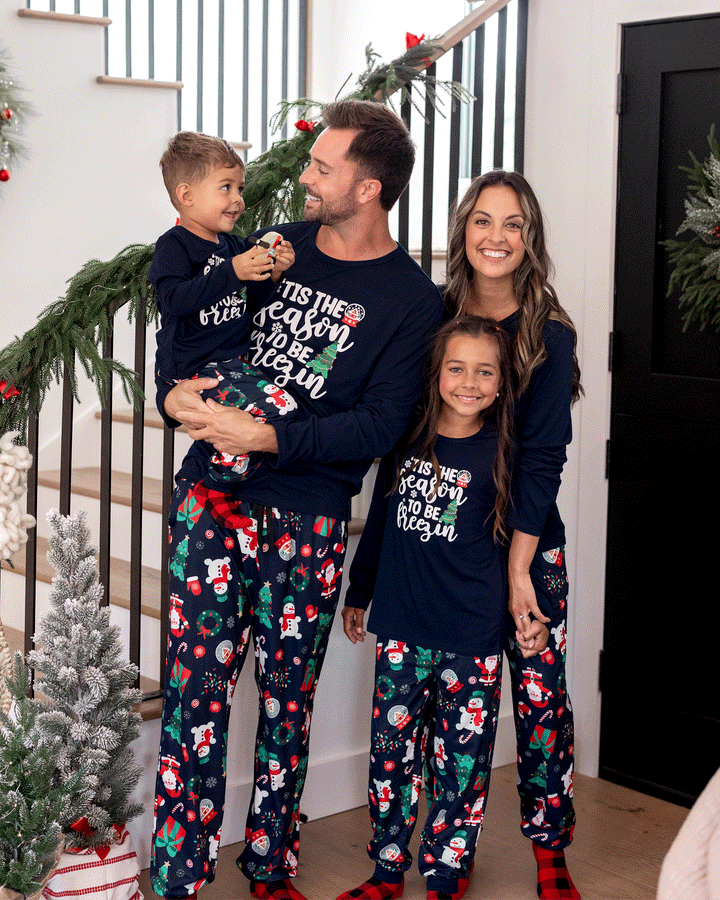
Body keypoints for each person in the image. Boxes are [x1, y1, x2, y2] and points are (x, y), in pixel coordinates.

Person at [149, 100, 445, 900]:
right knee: (192, 695)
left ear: (371, 187)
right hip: (209, 502)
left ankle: (271, 864)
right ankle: (177, 872)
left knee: (287, 702)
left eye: (323, 166)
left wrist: (270, 440)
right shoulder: (275, 247)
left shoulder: (412, 302)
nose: (304, 176)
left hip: (304, 521)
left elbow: (382, 425)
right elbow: (191, 336)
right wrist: (170, 400)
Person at [337, 315, 516, 900]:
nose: (469, 381)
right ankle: (388, 867)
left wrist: (524, 614)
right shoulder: (408, 439)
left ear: (501, 380)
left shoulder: (504, 451)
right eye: (456, 368)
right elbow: (382, 526)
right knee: (391, 759)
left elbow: (519, 541)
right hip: (402, 628)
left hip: (471, 632)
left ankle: (446, 869)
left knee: (461, 763)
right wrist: (359, 593)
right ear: (436, 373)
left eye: (484, 371)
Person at [442, 170, 583, 900]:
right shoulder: (433, 318)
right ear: (463, 231)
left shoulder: (549, 335)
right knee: (453, 706)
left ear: (530, 241)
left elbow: (544, 457)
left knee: (537, 698)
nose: (497, 237)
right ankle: (450, 853)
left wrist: (520, 569)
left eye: (514, 224)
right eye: (484, 221)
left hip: (528, 545)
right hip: (448, 547)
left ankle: (549, 849)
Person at [149, 130, 297, 485]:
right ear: (186, 195)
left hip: (233, 364)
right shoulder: (174, 246)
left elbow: (249, 305)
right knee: (278, 409)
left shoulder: (232, 245)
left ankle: (229, 464)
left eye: (240, 189)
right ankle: (222, 471)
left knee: (285, 409)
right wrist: (233, 271)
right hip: (192, 368)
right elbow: (173, 300)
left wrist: (272, 274)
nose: (238, 200)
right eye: (226, 187)